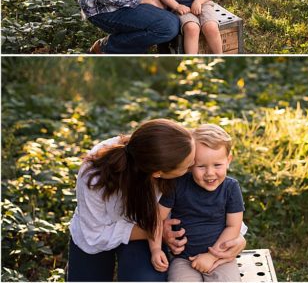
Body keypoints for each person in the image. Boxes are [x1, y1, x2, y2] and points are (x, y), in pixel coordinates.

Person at [67, 119, 195, 281]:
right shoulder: (95, 174)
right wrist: (157, 230)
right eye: (188, 167)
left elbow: (217, 196)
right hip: (97, 232)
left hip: (145, 236)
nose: (193, 166)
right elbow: (94, 234)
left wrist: (237, 237)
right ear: (158, 173)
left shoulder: (184, 149)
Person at [157, 124, 243, 281]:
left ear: (228, 160)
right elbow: (157, 217)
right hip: (183, 259)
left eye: (217, 165)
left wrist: (211, 256)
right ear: (190, 164)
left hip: (219, 257)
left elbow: (234, 226)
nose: (210, 173)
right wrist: (157, 247)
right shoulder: (178, 184)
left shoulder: (230, 188)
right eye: (201, 166)